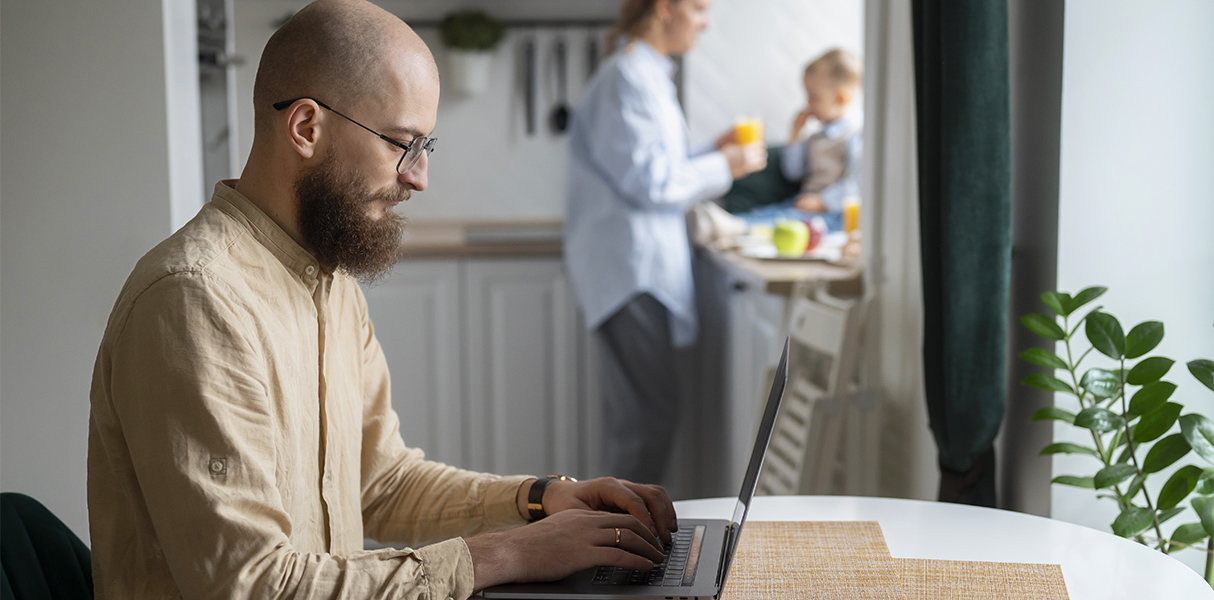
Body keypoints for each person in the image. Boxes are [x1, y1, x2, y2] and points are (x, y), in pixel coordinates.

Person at [87, 2, 677, 598]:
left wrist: (543, 498)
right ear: (306, 128)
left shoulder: (329, 279)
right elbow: (254, 586)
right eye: (402, 143)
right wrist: (509, 553)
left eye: (425, 146)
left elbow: (381, 482)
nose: (419, 177)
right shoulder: (196, 300)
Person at [564, 0, 767, 486]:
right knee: (646, 418)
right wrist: (728, 166)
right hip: (630, 271)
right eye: (698, 8)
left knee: (646, 414)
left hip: (637, 267)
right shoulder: (627, 77)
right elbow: (650, 183)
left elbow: (655, 164)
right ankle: (620, 548)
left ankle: (623, 544)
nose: (706, 22)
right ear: (664, 8)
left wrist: (707, 152)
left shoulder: (647, 74)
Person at [737, 48, 863, 232]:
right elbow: (793, 173)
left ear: (840, 98)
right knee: (773, 213)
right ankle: (736, 224)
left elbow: (856, 184)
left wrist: (823, 201)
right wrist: (795, 135)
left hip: (832, 213)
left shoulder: (856, 134)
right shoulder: (816, 136)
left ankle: (736, 228)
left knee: (785, 222)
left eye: (814, 97)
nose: (808, 105)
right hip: (804, 204)